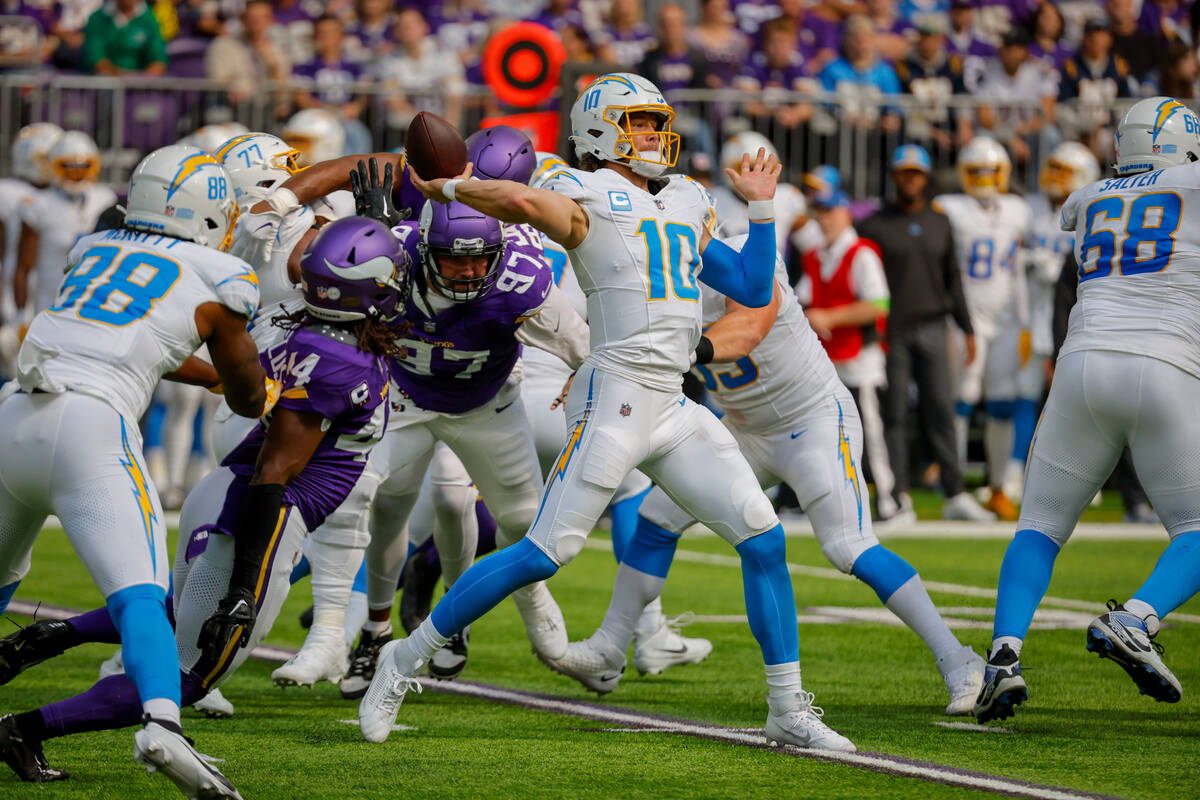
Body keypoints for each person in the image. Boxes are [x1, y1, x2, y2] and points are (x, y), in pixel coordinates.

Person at [360, 72, 856, 752]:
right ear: (600, 128)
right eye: (640, 122)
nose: (655, 134)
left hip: (674, 400)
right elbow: (519, 202)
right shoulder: (580, 188)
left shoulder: (683, 198)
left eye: (658, 121)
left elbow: (745, 283)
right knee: (545, 552)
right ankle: (403, 659)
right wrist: (445, 188)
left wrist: (764, 211)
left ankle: (786, 707)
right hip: (616, 389)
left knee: (764, 539)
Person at [0, 215, 406, 790]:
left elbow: (304, 272)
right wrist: (245, 586)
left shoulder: (303, 330)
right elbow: (273, 474)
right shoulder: (342, 362)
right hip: (263, 511)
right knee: (190, 673)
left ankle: (50, 637)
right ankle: (25, 728)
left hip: (218, 492)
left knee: (172, 615)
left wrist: (369, 225)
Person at [551, 226, 985, 714]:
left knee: (848, 547)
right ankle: (611, 646)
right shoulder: (659, 276)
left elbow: (746, 328)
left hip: (814, 421)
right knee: (656, 518)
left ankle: (960, 661)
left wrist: (674, 350)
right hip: (741, 429)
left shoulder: (745, 254)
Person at [0, 144, 265, 797]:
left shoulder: (94, 249)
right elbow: (249, 395)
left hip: (14, 413)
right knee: (140, 595)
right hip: (91, 427)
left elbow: (126, 338)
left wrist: (202, 376)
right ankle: (162, 723)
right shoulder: (220, 274)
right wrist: (256, 384)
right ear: (211, 215)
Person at [974, 97, 1200, 723]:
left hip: (1079, 367)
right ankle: (1137, 618)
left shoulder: (1091, 197)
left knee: (1039, 527)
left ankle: (1003, 658)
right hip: (1164, 366)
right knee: (1197, 528)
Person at [860, 145, 994, 522]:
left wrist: (967, 329)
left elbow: (953, 279)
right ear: (894, 176)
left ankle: (954, 493)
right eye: (904, 172)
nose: (910, 179)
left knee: (941, 410)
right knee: (895, 415)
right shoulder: (874, 224)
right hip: (892, 332)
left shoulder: (940, 221)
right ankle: (898, 494)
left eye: (915, 173)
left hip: (935, 325)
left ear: (925, 177)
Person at [934, 137, 1031, 522]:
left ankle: (997, 488)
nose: (985, 179)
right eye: (976, 171)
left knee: (1002, 403)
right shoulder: (950, 208)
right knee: (962, 398)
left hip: (1006, 320)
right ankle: (954, 485)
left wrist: (1024, 322)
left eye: (991, 171)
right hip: (967, 317)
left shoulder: (1018, 209)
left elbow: (1019, 270)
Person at [1003, 142, 1099, 501]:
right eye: (1053, 168)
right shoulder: (1033, 210)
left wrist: (1058, 270)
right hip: (1033, 319)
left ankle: (1086, 478)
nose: (1055, 177)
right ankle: (1014, 473)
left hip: (1075, 319)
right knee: (1026, 398)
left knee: (1076, 403)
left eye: (1064, 171)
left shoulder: (1096, 212)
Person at [796, 184, 896, 522]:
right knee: (826, 431)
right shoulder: (816, 255)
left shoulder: (861, 252)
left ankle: (887, 499)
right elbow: (803, 298)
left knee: (869, 429)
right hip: (828, 357)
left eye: (829, 210)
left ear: (844, 212)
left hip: (860, 355)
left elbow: (878, 305)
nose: (823, 219)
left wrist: (830, 317)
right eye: (819, 212)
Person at [14, 132, 116, 320]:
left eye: (83, 167)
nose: (77, 174)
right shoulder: (38, 204)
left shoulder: (105, 198)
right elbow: (23, 267)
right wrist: (21, 315)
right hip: (50, 304)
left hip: (93, 304)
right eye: (69, 168)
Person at [81, 0, 168, 76]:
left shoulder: (151, 19)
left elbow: (158, 59)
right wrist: (120, 77)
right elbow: (96, 58)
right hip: (104, 87)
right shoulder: (97, 19)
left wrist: (141, 80)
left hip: (140, 88)